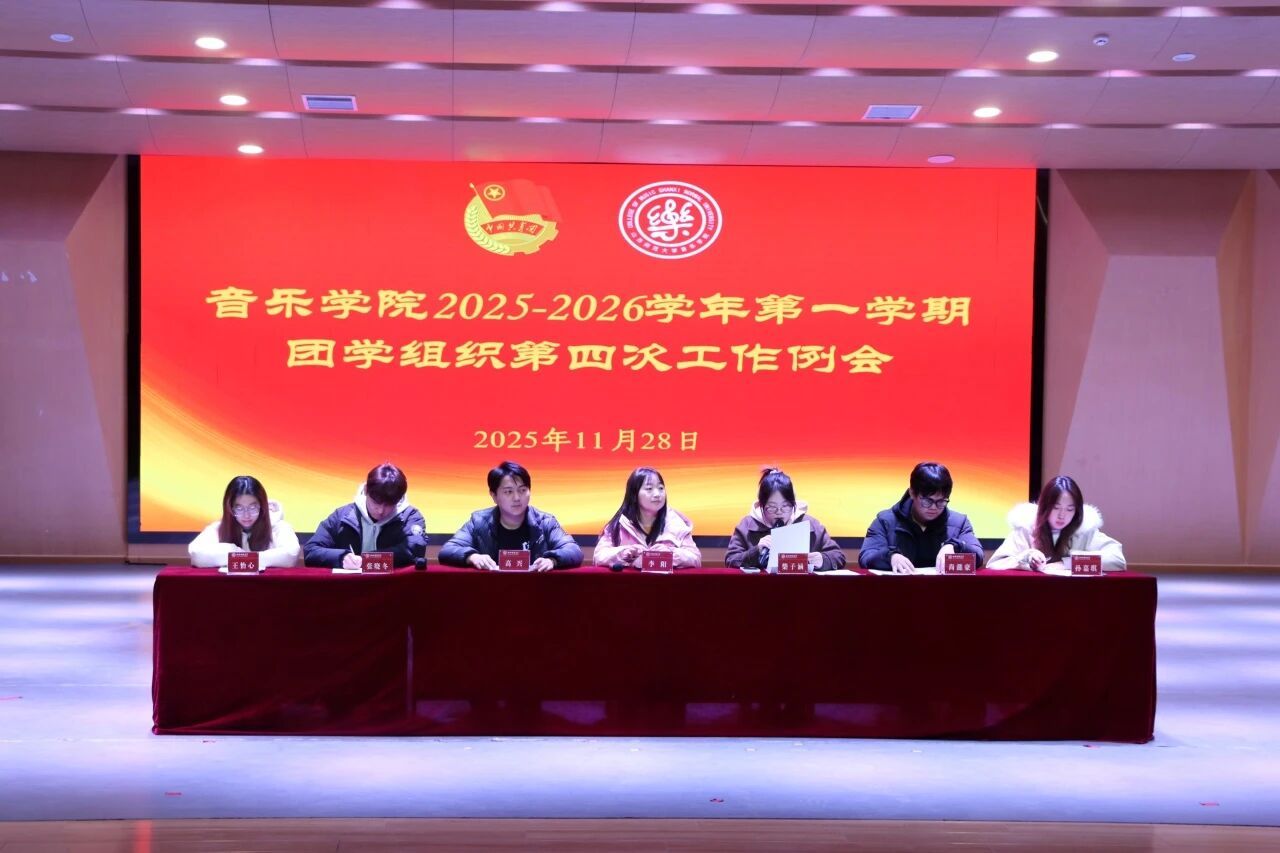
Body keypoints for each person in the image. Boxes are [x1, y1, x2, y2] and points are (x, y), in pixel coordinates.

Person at [438, 461, 582, 572]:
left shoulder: (545, 522)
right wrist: (472, 557)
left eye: (522, 490)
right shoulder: (479, 521)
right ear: (494, 496)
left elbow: (574, 551)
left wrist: (552, 560)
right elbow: (448, 550)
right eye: (508, 492)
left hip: (535, 591)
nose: (517, 498)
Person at [858, 461, 984, 573]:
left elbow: (978, 556)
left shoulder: (959, 522)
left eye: (941, 501)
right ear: (912, 493)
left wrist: (955, 546)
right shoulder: (885, 521)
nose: (934, 507)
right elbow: (866, 557)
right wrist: (890, 557)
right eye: (927, 501)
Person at [987, 475, 1126, 572]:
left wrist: (1068, 563)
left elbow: (1118, 559)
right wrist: (1026, 558)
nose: (1062, 515)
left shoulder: (1084, 530)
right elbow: (995, 563)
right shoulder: (1026, 528)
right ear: (1044, 507)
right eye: (1056, 508)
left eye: (1069, 509)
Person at [303, 463, 427, 569]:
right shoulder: (342, 515)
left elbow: (414, 550)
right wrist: (341, 557)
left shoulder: (411, 517)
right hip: (347, 587)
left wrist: (367, 560)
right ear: (366, 490)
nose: (381, 511)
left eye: (389, 505)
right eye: (376, 502)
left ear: (399, 499)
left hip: (392, 587)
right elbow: (311, 551)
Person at [726, 468, 846, 572]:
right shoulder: (747, 525)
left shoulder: (810, 524)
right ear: (761, 505)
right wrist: (756, 551)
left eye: (785, 506)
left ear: (793, 504)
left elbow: (838, 556)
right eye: (772, 507)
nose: (779, 512)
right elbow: (730, 560)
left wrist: (823, 560)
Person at [593, 467, 701, 569]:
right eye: (649, 489)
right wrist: (626, 552)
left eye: (661, 488)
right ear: (634, 494)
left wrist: (670, 553)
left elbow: (695, 558)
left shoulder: (677, 524)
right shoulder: (619, 525)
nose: (657, 494)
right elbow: (599, 557)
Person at [189, 475, 300, 568]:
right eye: (239, 508)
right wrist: (234, 551)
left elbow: (291, 554)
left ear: (262, 506)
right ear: (229, 508)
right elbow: (196, 554)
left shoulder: (279, 527)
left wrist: (241, 558)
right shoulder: (218, 528)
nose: (246, 515)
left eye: (252, 507)